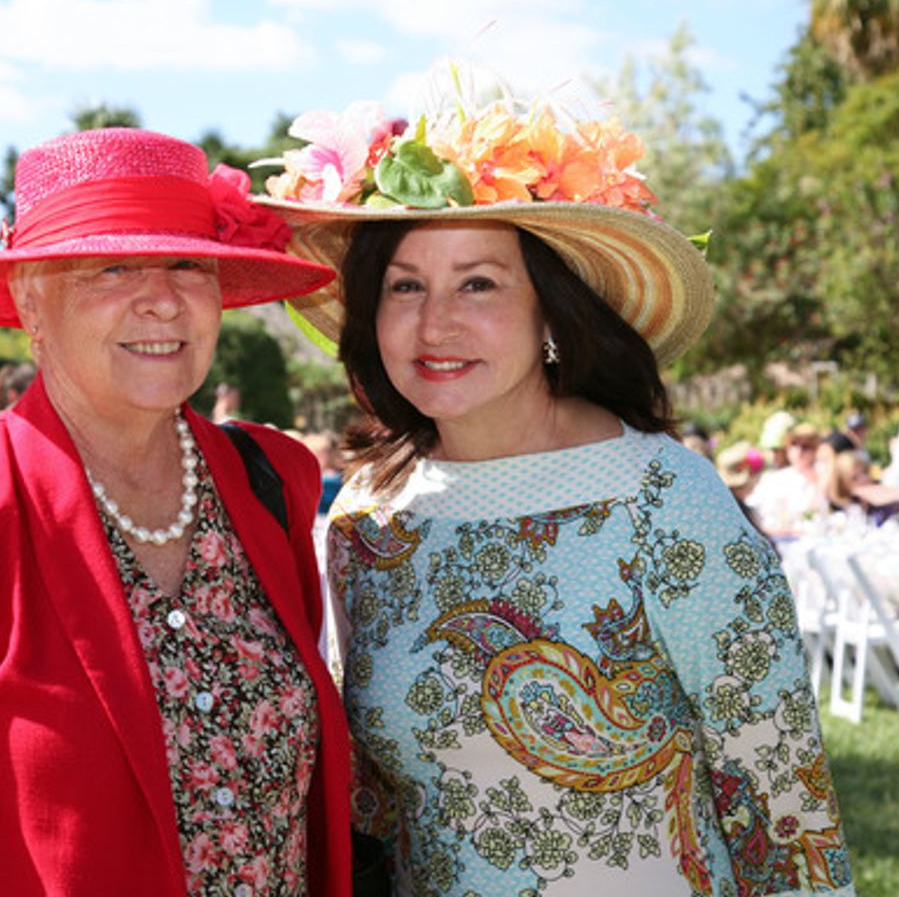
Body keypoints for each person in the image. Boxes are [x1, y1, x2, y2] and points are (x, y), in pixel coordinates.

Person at [260, 79, 852, 895]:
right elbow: (377, 806)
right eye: (405, 285)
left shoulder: (659, 496)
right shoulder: (367, 515)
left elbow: (785, 802)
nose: (437, 322)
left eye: (479, 282)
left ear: (550, 311)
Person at [0, 127, 353, 895]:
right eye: (113, 267)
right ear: (27, 299)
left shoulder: (271, 479)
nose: (162, 297)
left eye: (188, 262)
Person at [745, 421, 830, 538]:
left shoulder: (824, 475)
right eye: (794, 444)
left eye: (806, 447)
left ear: (815, 450)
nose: (799, 451)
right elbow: (753, 514)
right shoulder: (773, 479)